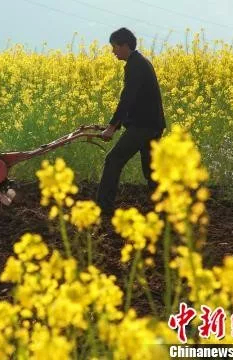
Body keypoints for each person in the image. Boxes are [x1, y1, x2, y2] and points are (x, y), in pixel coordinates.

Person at [97, 27, 166, 220]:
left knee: (113, 161)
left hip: (143, 126)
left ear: (125, 45)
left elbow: (127, 98)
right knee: (150, 169)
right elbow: (135, 100)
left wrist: (112, 126)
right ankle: (166, 209)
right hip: (152, 124)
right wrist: (117, 124)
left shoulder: (135, 65)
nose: (113, 51)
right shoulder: (141, 62)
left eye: (115, 47)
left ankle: (103, 208)